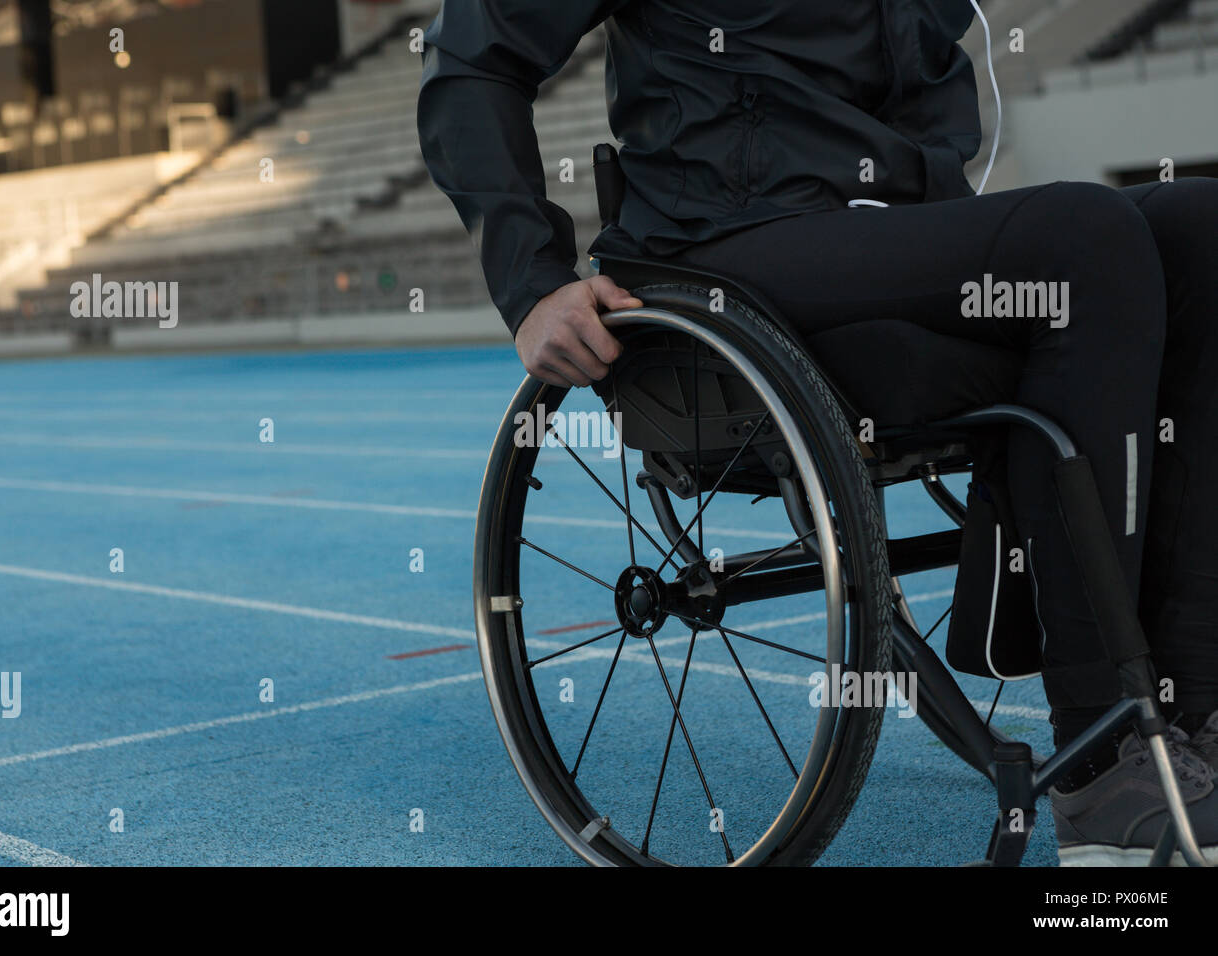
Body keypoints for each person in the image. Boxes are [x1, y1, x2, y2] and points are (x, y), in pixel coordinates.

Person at [417, 0, 1218, 865]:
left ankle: (1192, 715)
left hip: (877, 238)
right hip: (721, 243)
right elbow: (472, 58)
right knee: (1084, 238)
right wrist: (532, 279)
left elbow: (939, 83)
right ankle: (1103, 769)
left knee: (1197, 224)